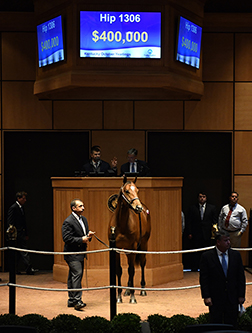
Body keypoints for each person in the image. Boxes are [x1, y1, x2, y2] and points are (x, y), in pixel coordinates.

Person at [199, 230, 246, 328]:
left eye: (229, 240)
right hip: (215, 298)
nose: (228, 242)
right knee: (216, 324)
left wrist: (241, 295)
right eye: (225, 240)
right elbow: (204, 278)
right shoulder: (207, 257)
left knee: (232, 324)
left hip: (232, 297)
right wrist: (206, 296)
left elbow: (241, 277)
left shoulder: (236, 255)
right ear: (218, 242)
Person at [62, 199, 95, 310]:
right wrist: (81, 239)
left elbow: (83, 235)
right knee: (77, 274)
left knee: (73, 276)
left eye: (83, 205)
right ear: (73, 208)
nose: (83, 208)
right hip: (72, 254)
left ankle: (71, 300)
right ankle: (77, 301)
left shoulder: (84, 219)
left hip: (80, 253)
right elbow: (66, 238)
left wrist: (88, 236)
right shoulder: (68, 221)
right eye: (80, 206)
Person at [7, 191, 38, 275]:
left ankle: (15, 269)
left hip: (22, 233)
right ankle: (29, 268)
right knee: (24, 251)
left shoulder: (21, 207)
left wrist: (26, 234)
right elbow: (10, 222)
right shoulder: (14, 207)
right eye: (23, 198)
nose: (25, 200)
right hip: (17, 234)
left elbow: (24, 222)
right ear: (18, 198)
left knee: (19, 253)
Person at [186, 192, 217, 271]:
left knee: (207, 251)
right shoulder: (192, 208)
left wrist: (214, 233)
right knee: (196, 251)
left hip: (207, 233)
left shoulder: (212, 208)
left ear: (206, 198)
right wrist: (189, 232)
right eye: (200, 197)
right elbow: (189, 221)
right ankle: (195, 267)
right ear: (198, 198)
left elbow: (214, 221)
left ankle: (207, 268)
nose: (202, 198)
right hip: (196, 233)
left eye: (203, 197)